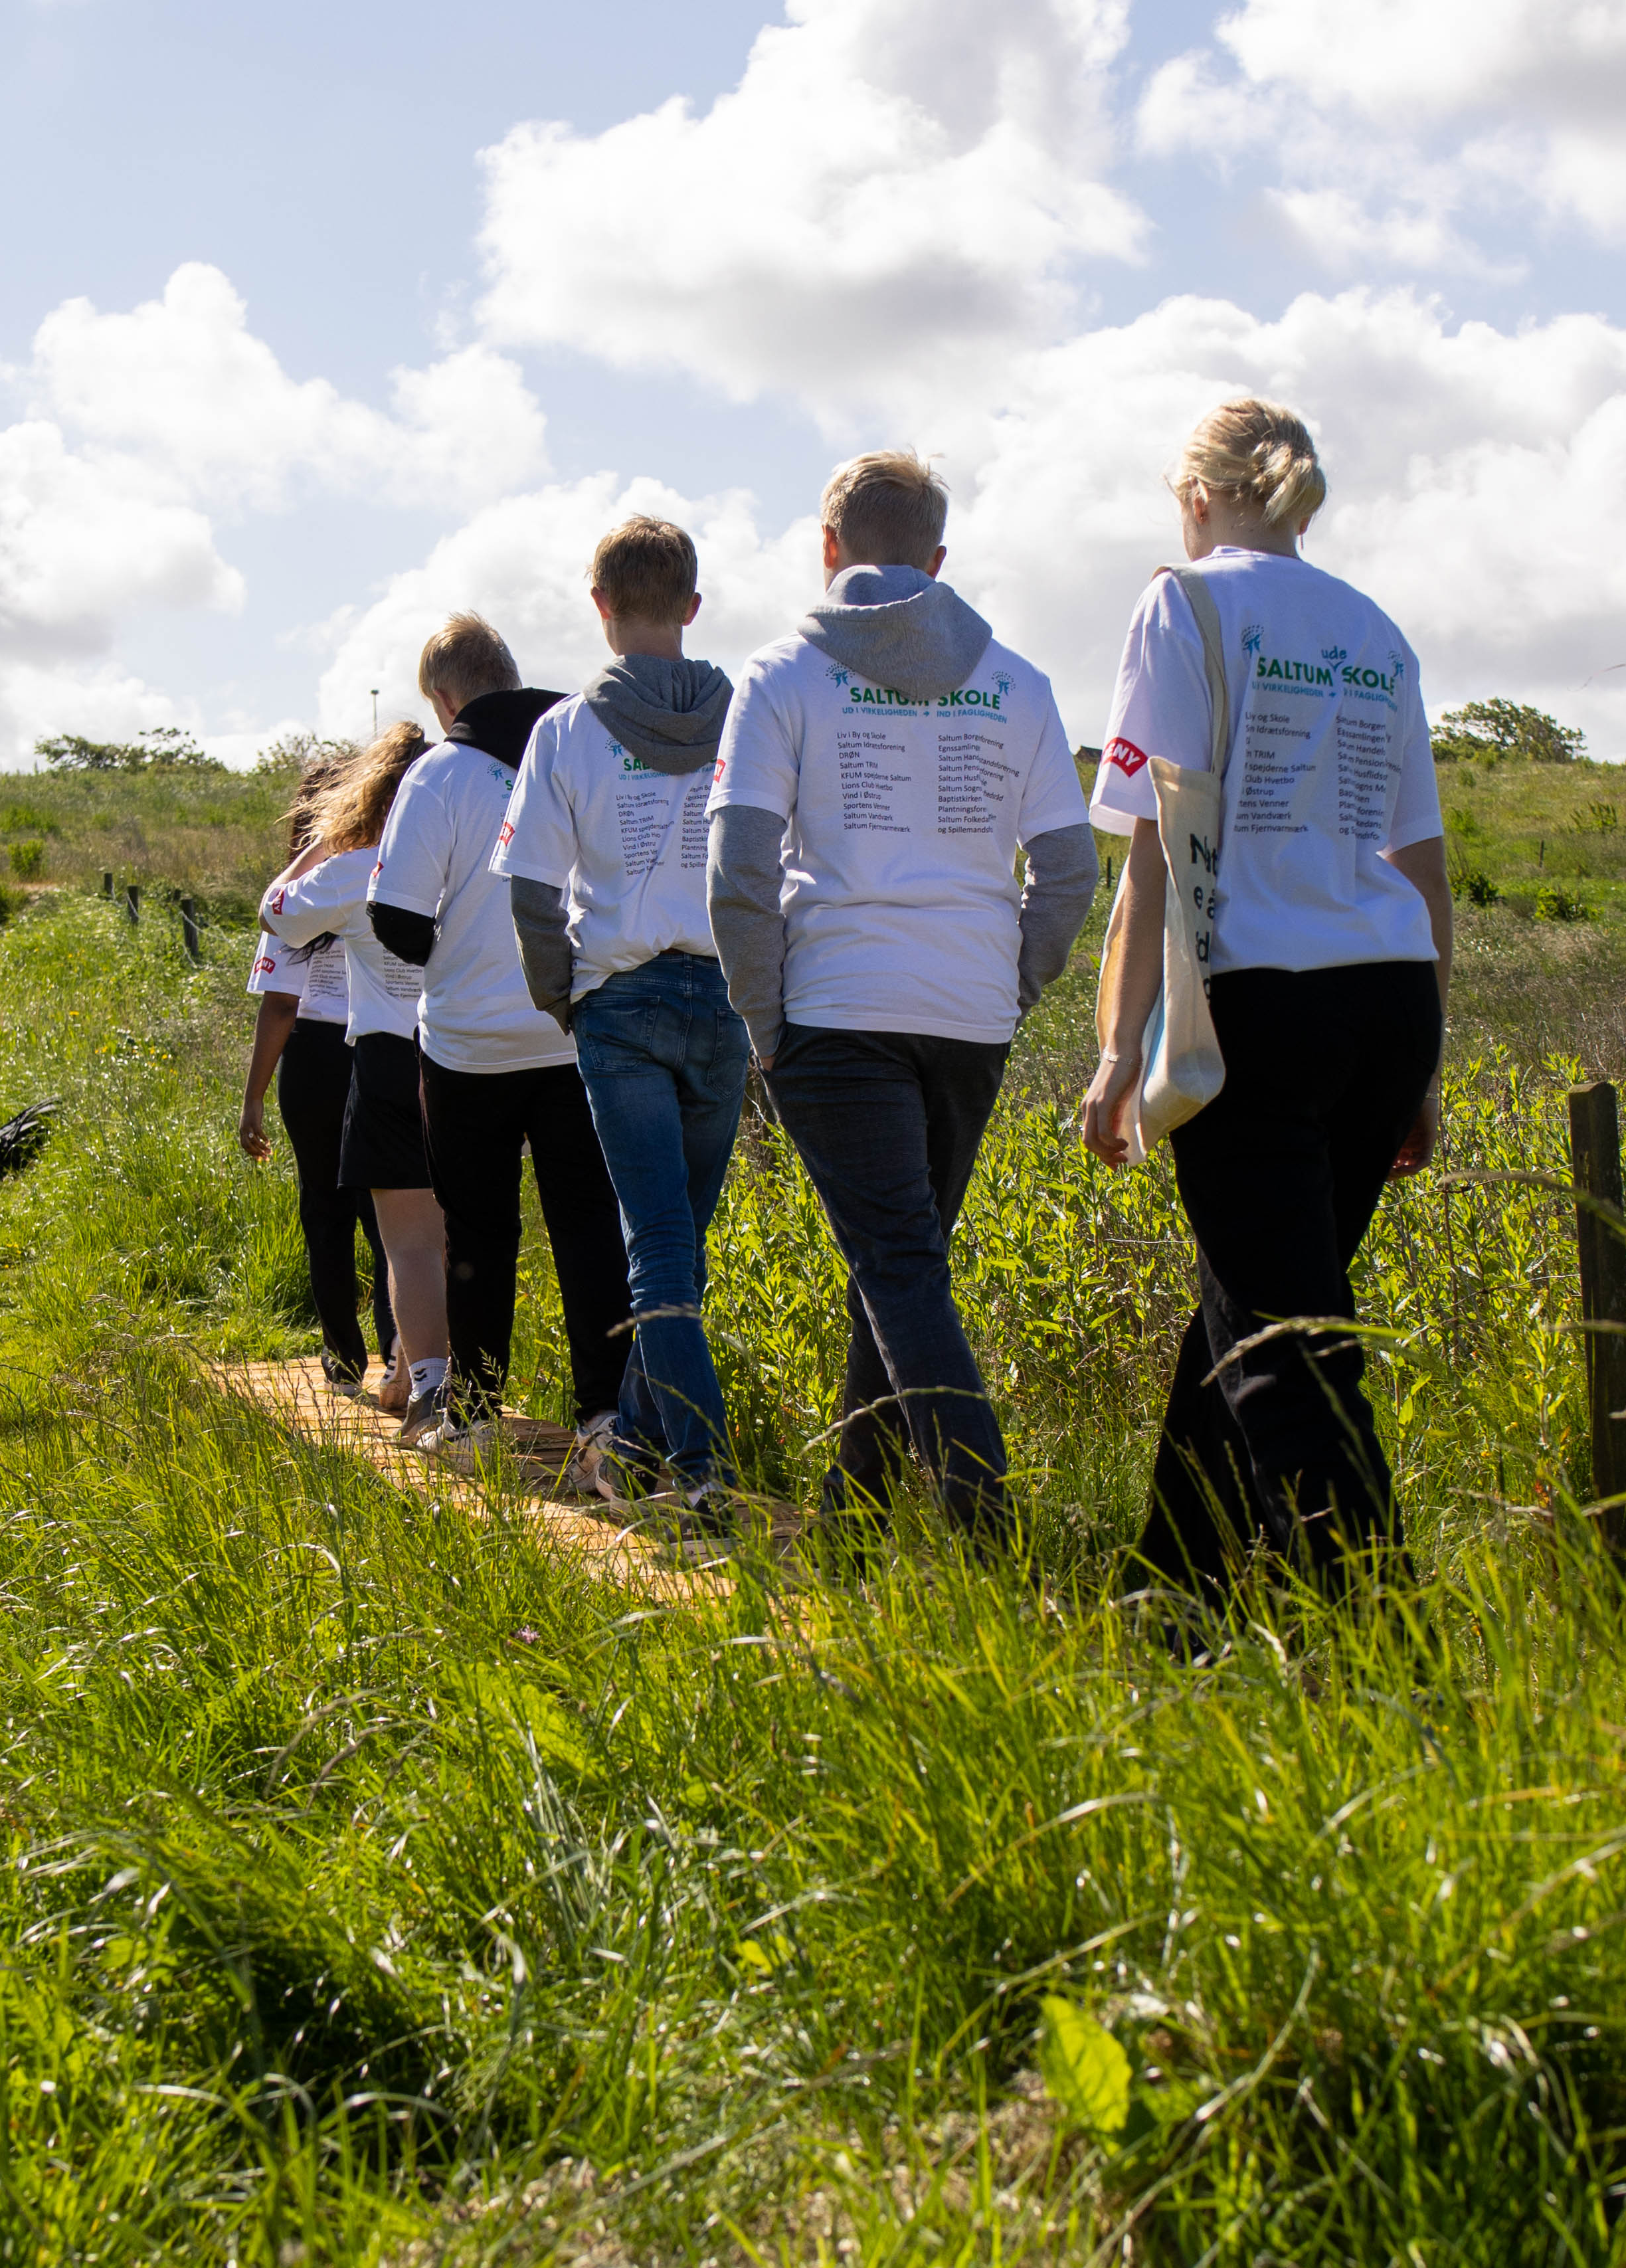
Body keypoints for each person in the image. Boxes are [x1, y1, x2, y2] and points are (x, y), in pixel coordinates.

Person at [1077, 397, 1450, 1602]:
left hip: (1252, 1009)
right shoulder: (1374, 630)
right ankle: (1169, 1597)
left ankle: (1378, 1634)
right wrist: (1425, 1066)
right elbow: (1422, 863)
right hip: (1386, 1005)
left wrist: (1115, 1050)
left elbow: (1150, 852)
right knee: (1257, 1300)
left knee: (1284, 1347)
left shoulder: (1181, 603)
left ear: (1194, 497)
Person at [707, 452, 1097, 1528]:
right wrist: (1011, 983)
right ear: (936, 559)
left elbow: (738, 870)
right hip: (968, 1018)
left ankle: (989, 1533)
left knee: (896, 1266)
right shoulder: (1016, 681)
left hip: (833, 1009)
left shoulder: (782, 675)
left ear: (827, 549)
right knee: (897, 1266)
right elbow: (1068, 870)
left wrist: (759, 1019)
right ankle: (850, 1520)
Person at [492, 516, 743, 1511]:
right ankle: (635, 1446)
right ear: (692, 606)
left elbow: (529, 888)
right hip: (724, 1001)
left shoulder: (564, 730)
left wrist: (565, 998)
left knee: (660, 1248)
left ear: (600, 609)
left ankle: (698, 1466)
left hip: (620, 1002)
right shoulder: (746, 718)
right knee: (683, 1244)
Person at [367, 615, 634, 1450]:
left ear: (444, 699)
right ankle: (603, 1420)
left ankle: (476, 1416)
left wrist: (461, 942)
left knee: (478, 1231)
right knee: (589, 1226)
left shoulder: (442, 774)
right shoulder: (583, 749)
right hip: (573, 1031)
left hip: (470, 1043)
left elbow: (398, 922)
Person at [260, 725, 452, 1430]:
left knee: (404, 1237)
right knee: (457, 1228)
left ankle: (422, 1377)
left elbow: (276, 911)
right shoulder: (455, 860)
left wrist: (328, 837)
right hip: (466, 1051)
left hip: (385, 1057)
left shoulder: (357, 865)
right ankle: (419, 1365)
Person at [240, 756, 395, 1392]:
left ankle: (341, 1361)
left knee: (323, 1208)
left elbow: (279, 1006)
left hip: (313, 1057)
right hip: (380, 1047)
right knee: (388, 1207)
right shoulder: (384, 877)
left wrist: (251, 1102)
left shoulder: (304, 895)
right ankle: (404, 1356)